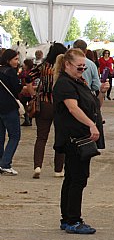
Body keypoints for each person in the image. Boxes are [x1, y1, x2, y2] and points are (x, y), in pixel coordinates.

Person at [53, 48, 105, 234]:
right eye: (79, 67)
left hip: (79, 137)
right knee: (77, 179)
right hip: (74, 138)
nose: (82, 70)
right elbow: (73, 109)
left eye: (84, 67)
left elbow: (91, 102)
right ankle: (73, 219)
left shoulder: (77, 82)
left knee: (73, 178)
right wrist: (91, 124)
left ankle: (68, 217)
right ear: (67, 65)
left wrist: (101, 92)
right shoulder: (65, 84)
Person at [30, 43, 67, 179]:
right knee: (60, 137)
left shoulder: (43, 66)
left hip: (44, 104)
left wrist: (32, 92)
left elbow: (29, 77)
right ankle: (58, 169)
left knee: (41, 137)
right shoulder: (64, 68)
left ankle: (37, 166)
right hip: (60, 105)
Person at [0, 49, 24, 175]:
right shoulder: (10, 72)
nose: (17, 62)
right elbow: (17, 88)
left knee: (0, 136)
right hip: (9, 107)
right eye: (15, 59)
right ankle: (5, 163)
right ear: (9, 60)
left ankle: (1, 161)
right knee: (14, 136)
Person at [19, 58, 35, 126]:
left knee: (23, 105)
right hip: (31, 90)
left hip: (25, 92)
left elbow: (19, 77)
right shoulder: (33, 72)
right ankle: (30, 119)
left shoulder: (24, 73)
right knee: (30, 106)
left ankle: (27, 119)